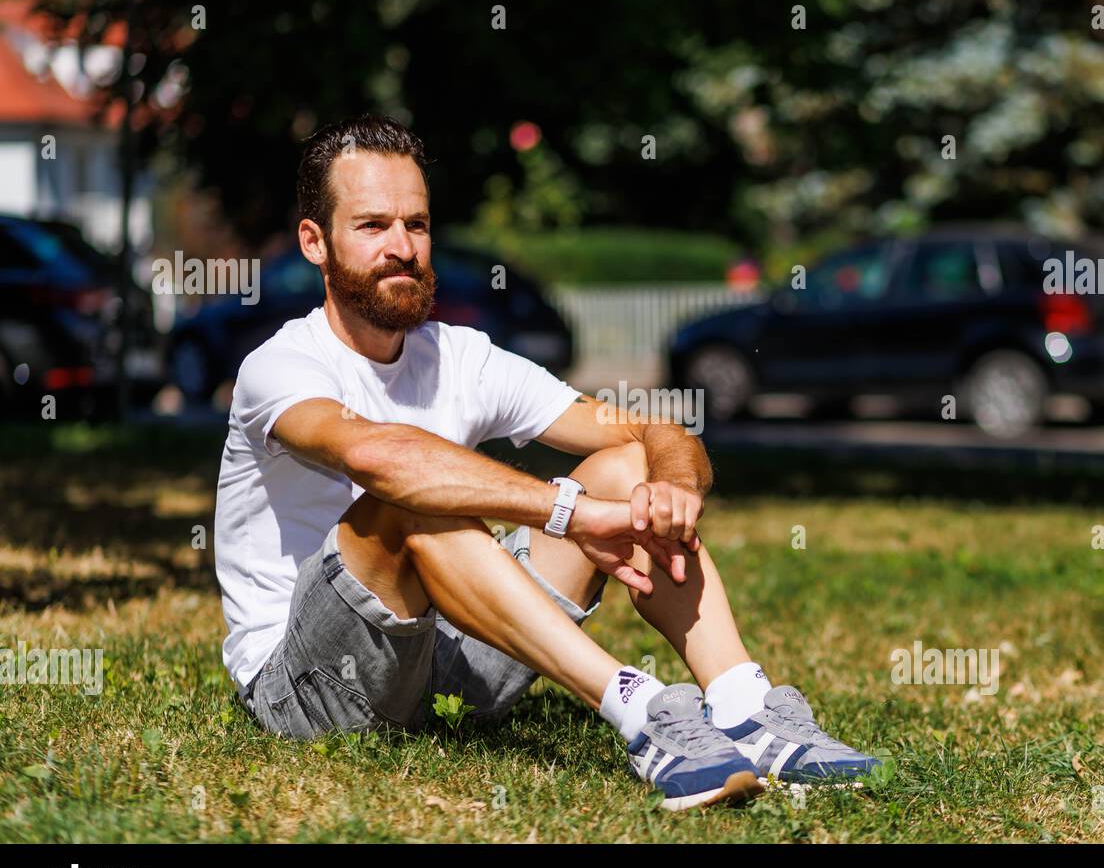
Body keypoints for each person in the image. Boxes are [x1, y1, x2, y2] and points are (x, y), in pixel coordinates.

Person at [214, 114, 878, 811]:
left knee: (627, 465)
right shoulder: (280, 367)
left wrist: (674, 486)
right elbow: (386, 458)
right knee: (412, 496)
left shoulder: (458, 355)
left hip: (444, 663)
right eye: (373, 226)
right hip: (310, 683)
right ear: (315, 243)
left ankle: (745, 706)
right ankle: (640, 709)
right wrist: (569, 512)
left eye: (416, 224)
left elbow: (651, 430)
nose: (402, 248)